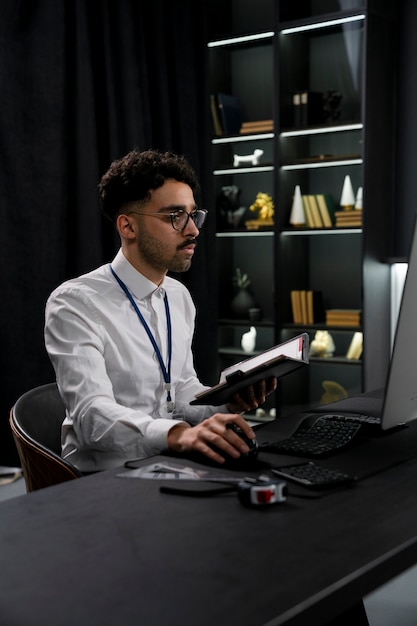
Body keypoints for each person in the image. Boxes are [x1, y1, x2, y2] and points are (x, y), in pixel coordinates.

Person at [44, 148, 276, 473]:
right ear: (128, 226)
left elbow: (179, 389)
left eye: (193, 215)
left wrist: (223, 401)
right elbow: (91, 415)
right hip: (101, 479)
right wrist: (177, 435)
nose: (193, 230)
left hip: (168, 465)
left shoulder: (178, 296)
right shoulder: (74, 303)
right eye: (174, 216)